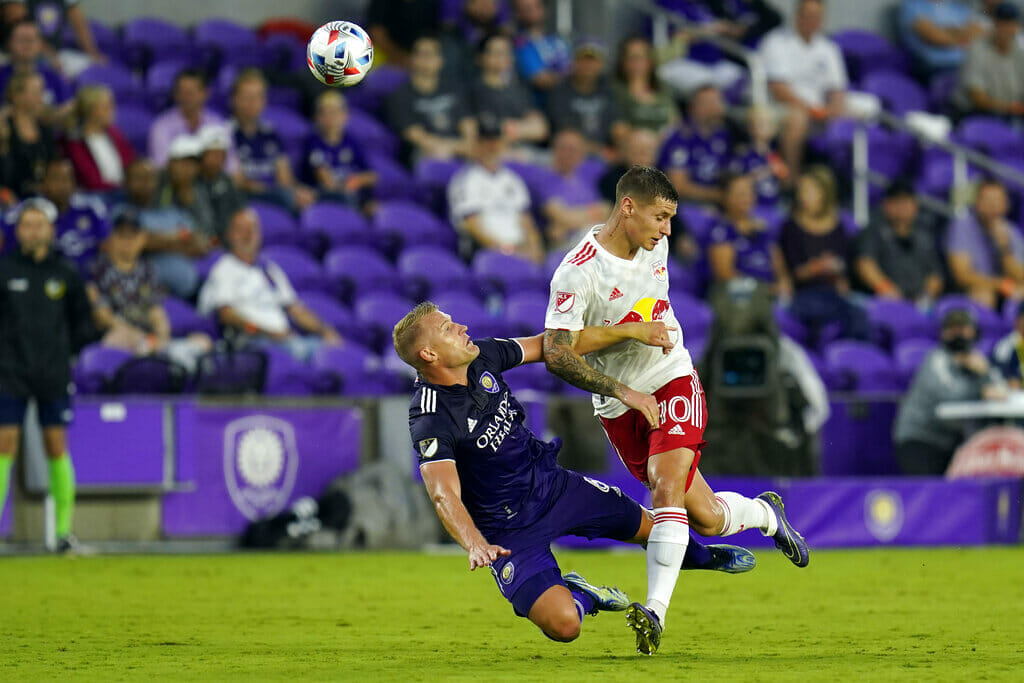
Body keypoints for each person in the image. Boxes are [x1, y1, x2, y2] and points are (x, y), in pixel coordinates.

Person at [542, 166, 809, 655]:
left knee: (666, 488)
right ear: (628, 207)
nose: (667, 230)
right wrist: (629, 349)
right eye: (660, 217)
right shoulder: (578, 271)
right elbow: (558, 351)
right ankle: (766, 514)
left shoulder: (654, 244)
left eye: (671, 219)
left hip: (671, 378)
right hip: (620, 403)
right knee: (704, 518)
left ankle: (655, 613)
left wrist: (645, 359)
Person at [394, 300, 757, 644]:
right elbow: (443, 492)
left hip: (554, 488)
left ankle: (704, 557)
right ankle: (583, 594)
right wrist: (475, 544)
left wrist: (630, 331)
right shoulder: (430, 416)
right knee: (565, 626)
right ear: (429, 354)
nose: (462, 327)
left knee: (654, 528)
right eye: (447, 327)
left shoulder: (483, 355)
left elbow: (554, 346)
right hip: (507, 531)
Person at [0, 199, 96, 552]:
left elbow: (83, 323)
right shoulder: (5, 270)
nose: (34, 230)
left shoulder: (66, 273)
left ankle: (62, 533)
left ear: (51, 230)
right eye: (27, 224)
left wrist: (65, 350)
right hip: (9, 372)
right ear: (18, 230)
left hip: (52, 372)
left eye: (40, 224)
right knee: (3, 444)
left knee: (56, 446)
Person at [197, 207, 342, 362]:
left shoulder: (270, 270)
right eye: (241, 230)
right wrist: (265, 332)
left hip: (286, 340)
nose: (248, 235)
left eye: (253, 230)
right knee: (299, 353)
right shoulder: (225, 269)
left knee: (336, 352)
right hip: (252, 344)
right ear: (229, 235)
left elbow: (296, 309)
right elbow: (226, 314)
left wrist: (325, 331)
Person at [88, 207, 212, 371]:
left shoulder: (147, 269)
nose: (128, 242)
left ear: (142, 239)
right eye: (122, 236)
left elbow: (156, 311)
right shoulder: (97, 269)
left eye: (133, 236)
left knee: (202, 341)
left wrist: (161, 338)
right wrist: (138, 337)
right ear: (112, 238)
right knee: (117, 339)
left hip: (147, 337)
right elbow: (103, 316)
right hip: (117, 336)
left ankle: (168, 359)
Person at [894, 308, 1006, 474]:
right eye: (952, 330)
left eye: (962, 329)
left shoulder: (976, 359)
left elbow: (1000, 391)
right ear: (943, 334)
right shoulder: (937, 359)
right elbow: (951, 395)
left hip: (952, 441)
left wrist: (984, 373)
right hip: (920, 439)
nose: (958, 335)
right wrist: (980, 389)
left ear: (974, 332)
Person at [759, 0, 847, 181]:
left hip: (819, 110)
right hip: (781, 107)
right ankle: (790, 181)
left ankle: (842, 185)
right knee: (798, 118)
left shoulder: (829, 48)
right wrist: (811, 110)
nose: (812, 21)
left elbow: (837, 90)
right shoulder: (775, 42)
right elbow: (778, 89)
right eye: (808, 15)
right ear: (797, 16)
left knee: (853, 117)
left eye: (817, 17)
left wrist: (833, 108)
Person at [779, 166, 868, 344]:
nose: (802, 196)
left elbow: (845, 265)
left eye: (809, 191)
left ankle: (857, 362)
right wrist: (816, 268)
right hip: (804, 293)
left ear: (824, 193)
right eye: (801, 190)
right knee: (831, 313)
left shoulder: (839, 226)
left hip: (833, 292)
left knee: (861, 313)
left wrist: (838, 274)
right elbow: (794, 273)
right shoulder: (791, 227)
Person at [447, 118, 543, 263]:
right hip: (486, 254)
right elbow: (472, 225)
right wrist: (505, 251)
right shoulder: (465, 179)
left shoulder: (513, 180)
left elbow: (526, 221)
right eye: (485, 141)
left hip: (518, 250)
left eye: (495, 140)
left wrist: (535, 250)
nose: (491, 146)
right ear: (476, 144)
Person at [229, 69, 315, 211]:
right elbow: (233, 179)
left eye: (258, 97)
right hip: (244, 197)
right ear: (234, 99)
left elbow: (284, 177)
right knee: (285, 200)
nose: (252, 103)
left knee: (311, 198)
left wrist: (298, 191)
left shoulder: (271, 134)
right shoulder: (226, 133)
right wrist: (255, 186)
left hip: (274, 195)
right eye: (247, 97)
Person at [385, 34, 476, 166]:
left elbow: (468, 123)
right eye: (422, 54)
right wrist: (453, 148)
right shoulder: (400, 95)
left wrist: (467, 145)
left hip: (460, 149)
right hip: (426, 153)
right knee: (436, 155)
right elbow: (415, 135)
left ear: (441, 60)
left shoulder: (453, 89)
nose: (426, 59)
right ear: (412, 59)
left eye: (431, 54)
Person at [123, 155, 206, 299]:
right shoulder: (122, 213)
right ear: (126, 182)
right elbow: (139, 242)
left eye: (150, 178)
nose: (145, 183)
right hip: (151, 295)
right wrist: (180, 240)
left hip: (191, 290)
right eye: (139, 178)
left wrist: (160, 241)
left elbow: (201, 244)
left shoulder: (171, 211)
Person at [853, 180, 943, 305]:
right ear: (886, 205)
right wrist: (885, 288)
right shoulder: (873, 231)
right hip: (882, 300)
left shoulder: (925, 234)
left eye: (906, 201)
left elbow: (935, 276)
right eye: (896, 201)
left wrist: (925, 298)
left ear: (915, 205)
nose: (902, 207)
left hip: (919, 302)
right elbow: (865, 264)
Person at [707, 172, 790, 297]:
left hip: (771, 295)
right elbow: (725, 274)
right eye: (740, 193)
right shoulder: (720, 230)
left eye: (749, 192)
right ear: (725, 196)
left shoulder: (763, 229)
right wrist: (765, 289)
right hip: (738, 296)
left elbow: (780, 268)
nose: (746, 198)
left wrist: (784, 284)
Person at [946, 178, 1024, 308]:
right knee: (983, 295)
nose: (993, 205)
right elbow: (962, 276)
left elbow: (1020, 276)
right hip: (973, 291)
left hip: (1006, 290)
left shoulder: (1011, 232)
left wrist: (1004, 249)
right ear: (977, 202)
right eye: (988, 200)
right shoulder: (962, 226)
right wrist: (1000, 284)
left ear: (1006, 205)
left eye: (997, 200)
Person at [546, 38, 628, 154]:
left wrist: (624, 144)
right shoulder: (559, 92)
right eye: (584, 60)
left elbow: (618, 126)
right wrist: (601, 152)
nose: (588, 65)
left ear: (601, 64)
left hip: (606, 156)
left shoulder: (608, 90)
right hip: (571, 155)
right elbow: (565, 134)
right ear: (574, 62)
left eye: (593, 60)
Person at [470, 32, 548, 147]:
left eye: (507, 52)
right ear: (481, 58)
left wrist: (506, 128)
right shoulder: (472, 91)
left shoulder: (519, 90)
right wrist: (521, 128)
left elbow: (540, 129)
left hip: (522, 155)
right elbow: (476, 132)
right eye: (497, 53)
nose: (504, 57)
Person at [657, 84, 731, 205]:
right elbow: (678, 187)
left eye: (717, 102)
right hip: (685, 205)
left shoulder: (722, 134)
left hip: (717, 204)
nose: (715, 107)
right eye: (708, 103)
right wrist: (717, 195)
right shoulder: (680, 137)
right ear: (693, 107)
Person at [302, 91, 376, 210]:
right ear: (317, 118)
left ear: (345, 115)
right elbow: (326, 181)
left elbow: (372, 176)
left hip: (354, 195)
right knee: (345, 199)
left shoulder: (352, 141)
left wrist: (357, 180)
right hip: (326, 197)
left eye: (335, 113)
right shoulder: (313, 143)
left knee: (375, 208)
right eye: (325, 113)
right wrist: (347, 186)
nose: (331, 118)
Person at [539, 128, 611, 251]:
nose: (568, 154)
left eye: (573, 150)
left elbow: (606, 209)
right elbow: (561, 216)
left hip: (587, 236)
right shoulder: (544, 179)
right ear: (554, 150)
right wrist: (591, 214)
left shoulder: (585, 179)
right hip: (562, 247)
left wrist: (567, 224)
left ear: (581, 153)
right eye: (564, 148)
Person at [36, 158, 109, 274]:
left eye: (66, 179)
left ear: (74, 184)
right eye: (55, 179)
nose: (61, 185)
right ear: (44, 184)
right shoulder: (33, 212)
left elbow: (107, 246)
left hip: (89, 279)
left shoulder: (91, 208)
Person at [61, 84, 135, 193]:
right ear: (91, 111)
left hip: (122, 192)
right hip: (93, 195)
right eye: (106, 107)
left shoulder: (115, 134)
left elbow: (131, 163)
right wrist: (120, 187)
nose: (112, 110)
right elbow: (90, 180)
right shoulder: (74, 141)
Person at [955, 2, 1024, 118]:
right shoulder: (978, 49)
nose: (1006, 29)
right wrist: (1012, 108)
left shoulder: (1019, 52)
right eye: (1002, 24)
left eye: (1011, 24)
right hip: (974, 114)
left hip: (1008, 113)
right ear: (994, 25)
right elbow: (978, 98)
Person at [0, 0, 105, 76]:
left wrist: (93, 53)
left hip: (57, 51)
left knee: (93, 69)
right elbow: (18, 27)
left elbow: (79, 24)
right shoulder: (18, 8)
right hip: (20, 54)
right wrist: (49, 54)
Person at [148, 69, 227, 169]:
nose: (186, 98)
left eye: (191, 93)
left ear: (205, 93)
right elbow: (162, 165)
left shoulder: (218, 123)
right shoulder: (161, 126)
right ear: (175, 94)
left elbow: (230, 165)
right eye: (182, 92)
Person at [0, 70, 58, 200]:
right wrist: (3, 143)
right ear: (16, 95)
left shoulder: (44, 128)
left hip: (44, 195)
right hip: (10, 196)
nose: (41, 97)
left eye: (41, 91)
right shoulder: (4, 126)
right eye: (36, 92)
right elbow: (5, 175)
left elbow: (53, 162)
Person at [612, 36, 678, 136]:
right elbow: (618, 131)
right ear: (623, 62)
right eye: (632, 58)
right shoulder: (615, 91)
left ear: (650, 61)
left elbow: (675, 122)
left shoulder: (663, 89)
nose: (637, 63)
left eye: (641, 58)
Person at [899, 0, 984, 75]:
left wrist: (946, 30)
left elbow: (979, 32)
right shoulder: (913, 5)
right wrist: (963, 34)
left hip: (965, 66)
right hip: (934, 68)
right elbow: (934, 37)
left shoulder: (958, 7)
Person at [728, 105, 786, 210]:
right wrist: (766, 171)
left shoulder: (774, 154)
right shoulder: (743, 154)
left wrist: (781, 173)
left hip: (774, 206)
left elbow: (783, 179)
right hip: (751, 207)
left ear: (774, 128)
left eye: (767, 123)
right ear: (750, 127)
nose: (762, 127)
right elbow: (736, 183)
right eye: (759, 123)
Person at [0, 19, 69, 107]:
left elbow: (65, 109)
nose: (27, 45)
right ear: (9, 44)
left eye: (31, 40)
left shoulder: (54, 77)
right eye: (21, 40)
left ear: (40, 44)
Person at [511, 0, 571, 99]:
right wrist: (573, 77)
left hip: (565, 103)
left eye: (536, 6)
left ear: (544, 9)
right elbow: (541, 80)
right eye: (525, 8)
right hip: (537, 106)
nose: (531, 11)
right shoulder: (519, 43)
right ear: (517, 13)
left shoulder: (558, 40)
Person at [195, 124, 244, 242]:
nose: (216, 160)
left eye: (220, 155)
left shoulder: (226, 181)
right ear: (201, 155)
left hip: (226, 241)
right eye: (211, 154)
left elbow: (238, 211)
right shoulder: (192, 182)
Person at [366, 0, 440, 68]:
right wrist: (400, 58)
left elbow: (433, 35)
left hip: (420, 55)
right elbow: (376, 31)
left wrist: (418, 57)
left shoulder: (430, 3)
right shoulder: (382, 2)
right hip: (386, 54)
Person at [991, 301, 1024, 388]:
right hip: (1015, 393)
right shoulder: (1006, 345)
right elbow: (998, 371)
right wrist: (1010, 379)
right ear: (1017, 321)